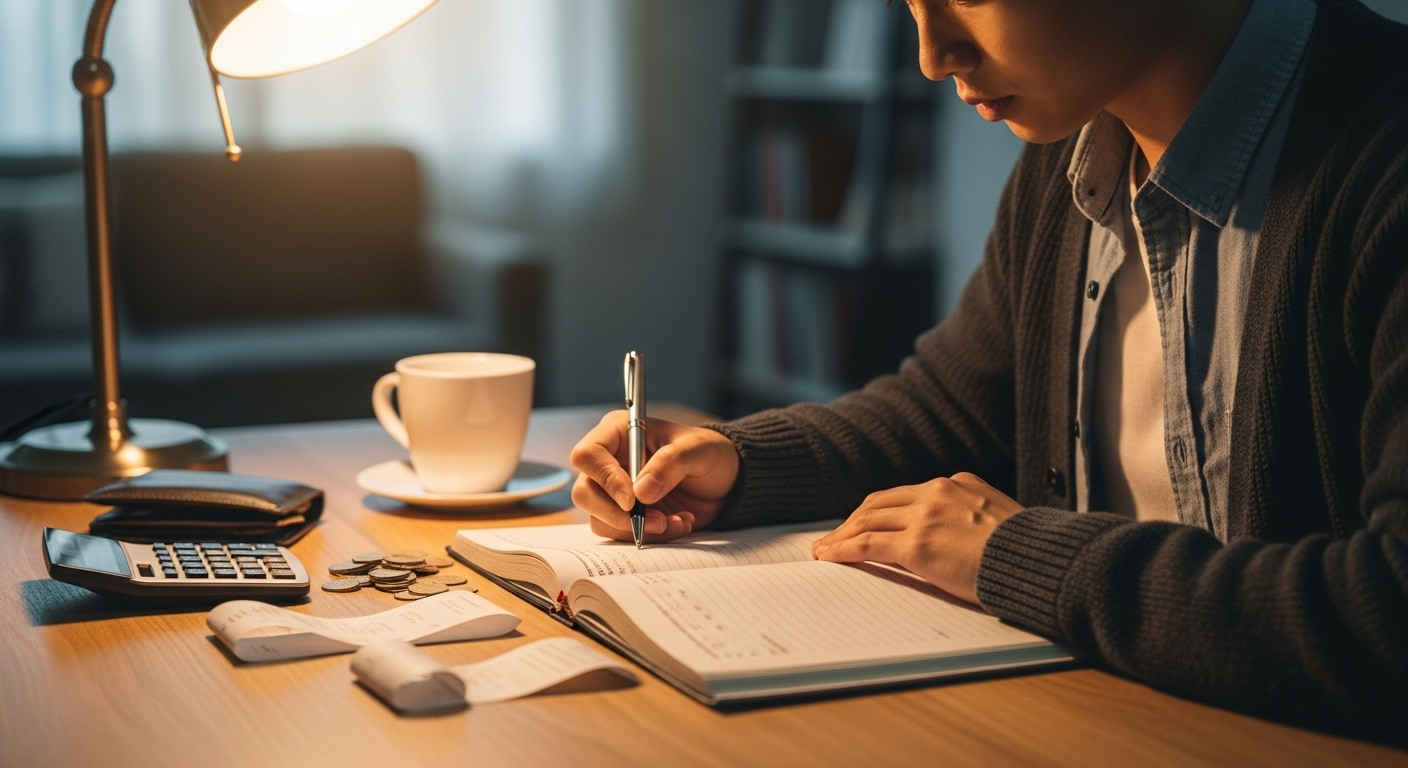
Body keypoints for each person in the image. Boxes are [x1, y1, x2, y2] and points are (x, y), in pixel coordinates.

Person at [570, 0, 1408, 741]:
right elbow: (953, 409)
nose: (934, 55)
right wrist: (741, 462)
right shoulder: (1076, 143)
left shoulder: (1381, 161)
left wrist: (1022, 557)